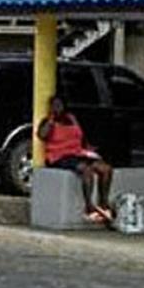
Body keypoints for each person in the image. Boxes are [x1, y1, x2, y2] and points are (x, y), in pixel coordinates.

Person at [37, 95, 114, 223]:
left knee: (105, 169)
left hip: (77, 153)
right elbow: (42, 135)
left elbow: (81, 137)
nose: (57, 108)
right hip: (59, 156)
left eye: (59, 105)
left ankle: (103, 203)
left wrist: (89, 150)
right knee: (86, 170)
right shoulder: (48, 122)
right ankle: (89, 207)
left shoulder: (72, 118)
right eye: (54, 106)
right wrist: (51, 119)